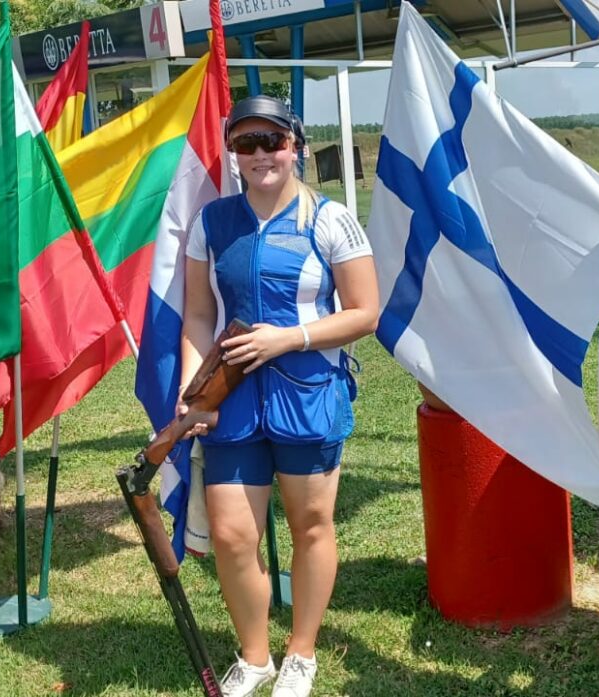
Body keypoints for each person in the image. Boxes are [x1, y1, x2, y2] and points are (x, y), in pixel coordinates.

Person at [179, 95, 378, 697]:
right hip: (232, 400)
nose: (261, 154)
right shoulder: (211, 222)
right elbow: (197, 314)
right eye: (246, 143)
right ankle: (256, 655)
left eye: (273, 141)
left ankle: (301, 652)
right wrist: (193, 394)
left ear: (294, 144)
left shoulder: (333, 218)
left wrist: (289, 338)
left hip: (310, 394)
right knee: (233, 534)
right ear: (234, 153)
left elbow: (366, 312)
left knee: (310, 525)